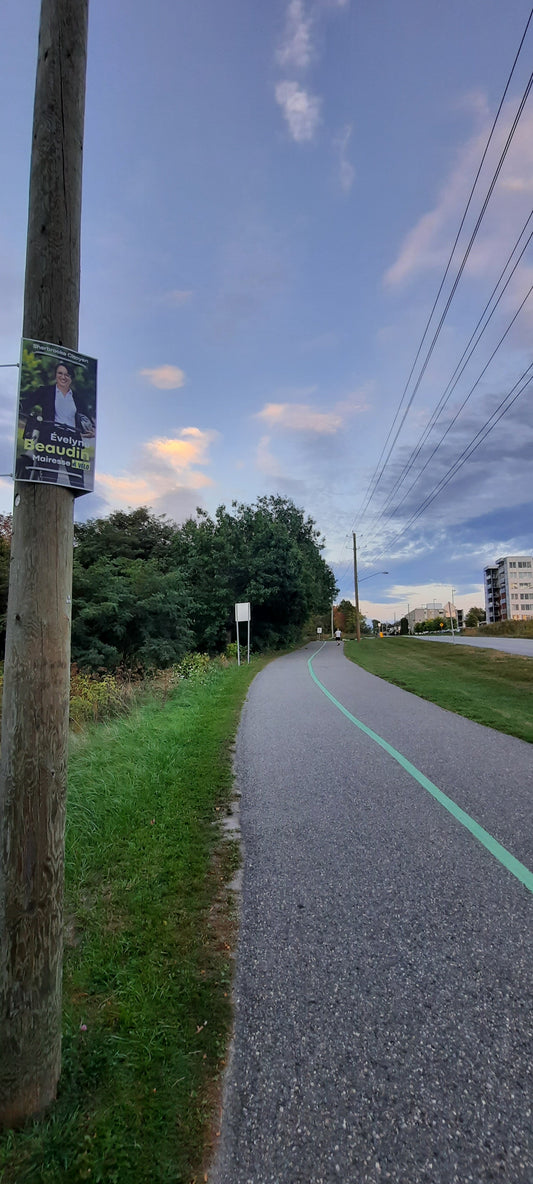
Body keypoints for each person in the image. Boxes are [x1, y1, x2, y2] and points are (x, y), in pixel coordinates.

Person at [17, 361, 95, 489]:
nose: (63, 377)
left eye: (67, 375)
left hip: (72, 440)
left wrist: (92, 431)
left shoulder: (78, 398)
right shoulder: (45, 391)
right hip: (50, 438)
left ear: (72, 378)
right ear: (55, 375)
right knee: (49, 477)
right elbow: (25, 403)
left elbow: (88, 421)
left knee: (77, 480)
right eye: (60, 373)